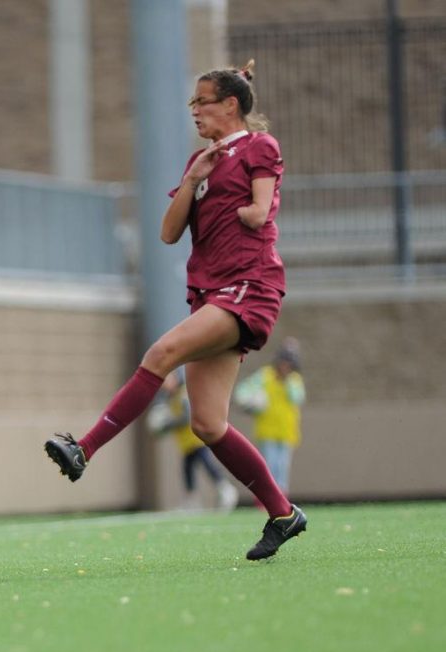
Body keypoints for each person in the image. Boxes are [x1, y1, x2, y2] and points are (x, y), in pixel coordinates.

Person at [44, 60, 307, 561]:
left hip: (249, 286)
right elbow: (168, 233)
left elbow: (260, 207)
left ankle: (85, 448)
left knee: (161, 352)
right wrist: (194, 180)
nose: (194, 111)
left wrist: (253, 212)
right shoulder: (200, 161)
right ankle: (282, 512)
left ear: (230, 105)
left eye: (201, 102)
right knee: (207, 424)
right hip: (212, 293)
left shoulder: (259, 146)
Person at [147, 370, 238, 511]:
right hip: (186, 443)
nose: (165, 384)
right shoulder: (170, 398)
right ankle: (193, 499)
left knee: (205, 463)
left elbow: (185, 417)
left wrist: (168, 423)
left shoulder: (183, 393)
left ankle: (225, 489)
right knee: (188, 469)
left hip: (195, 439)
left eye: (168, 379)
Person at [234, 338, 305, 494]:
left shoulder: (294, 381)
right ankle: (266, 496)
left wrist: (287, 383)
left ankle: (282, 498)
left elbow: (297, 398)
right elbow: (242, 391)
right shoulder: (265, 376)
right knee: (270, 465)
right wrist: (252, 401)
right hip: (267, 430)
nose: (285, 367)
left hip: (286, 431)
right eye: (283, 362)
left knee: (282, 467)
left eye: (289, 364)